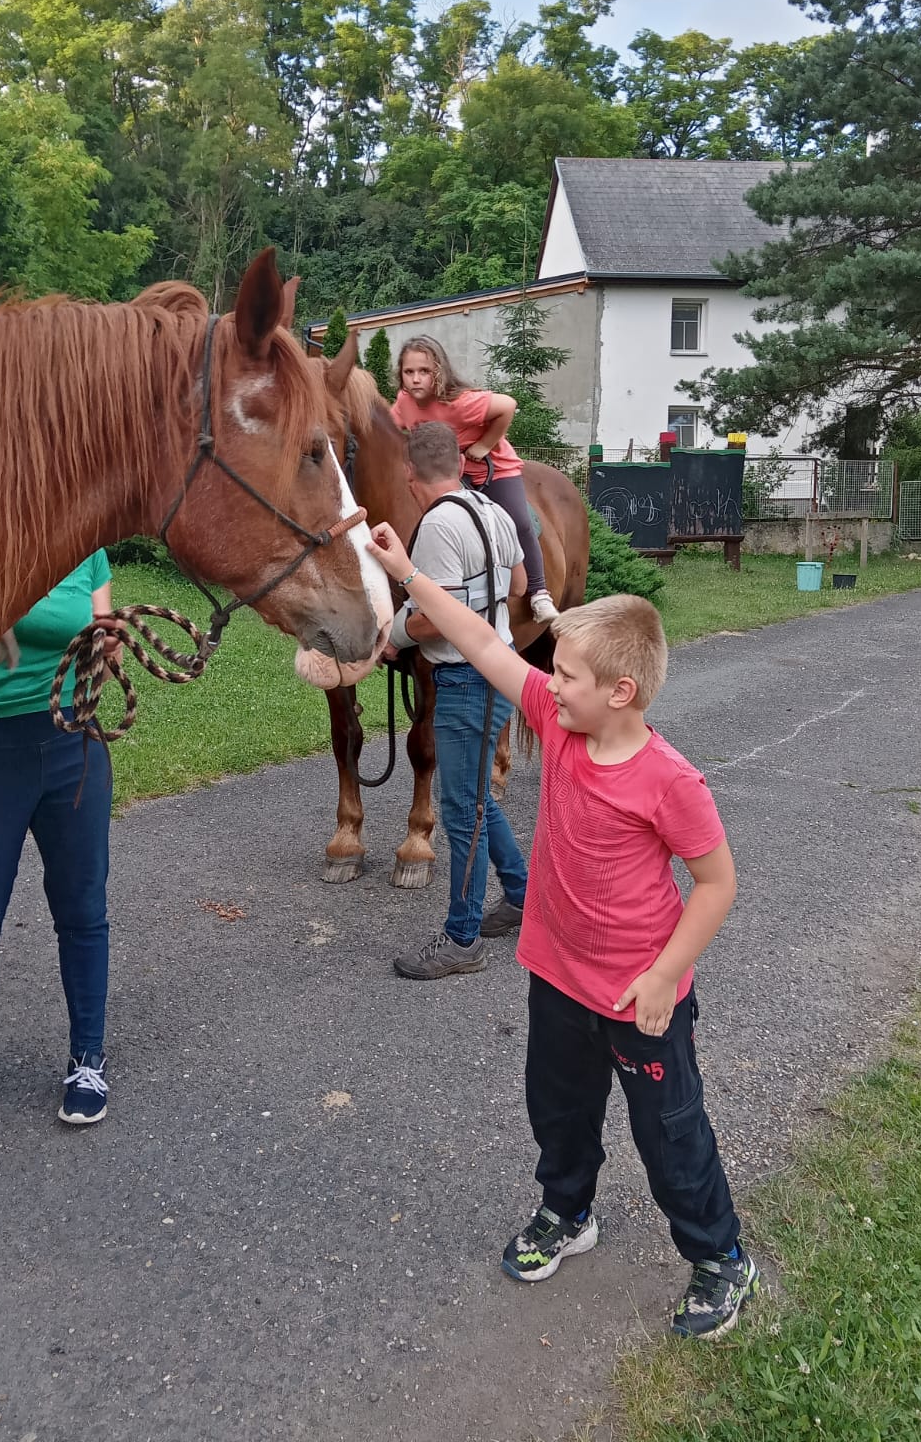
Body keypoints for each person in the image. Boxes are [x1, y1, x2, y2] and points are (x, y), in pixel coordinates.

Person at [365, 520, 756, 1339]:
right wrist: (409, 575)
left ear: (621, 691)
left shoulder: (669, 780)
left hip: (641, 995)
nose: (551, 681)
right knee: (560, 1111)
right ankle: (567, 1212)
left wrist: (664, 973)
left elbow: (716, 884)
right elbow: (479, 637)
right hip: (557, 973)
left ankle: (720, 1257)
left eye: (568, 674)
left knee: (670, 1134)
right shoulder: (555, 718)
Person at [0, 551, 120, 1127]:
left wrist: (106, 648)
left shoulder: (88, 553)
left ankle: (88, 1055)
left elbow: (100, 632)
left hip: (71, 745)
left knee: (83, 909)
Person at [386, 422, 530, 979]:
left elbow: (430, 617)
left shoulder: (437, 525)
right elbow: (518, 586)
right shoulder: (493, 509)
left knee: (461, 812)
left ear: (409, 472)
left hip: (464, 679)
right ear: (458, 464)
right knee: (478, 799)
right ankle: (520, 894)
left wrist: (390, 637)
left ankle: (462, 938)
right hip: (501, 669)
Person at [390, 336, 560, 624]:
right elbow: (391, 426)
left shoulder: (459, 403)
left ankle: (538, 592)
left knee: (519, 521)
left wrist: (484, 444)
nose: (416, 379)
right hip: (446, 472)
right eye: (409, 372)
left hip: (491, 469)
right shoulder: (405, 402)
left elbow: (507, 405)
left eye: (424, 372)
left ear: (439, 372)